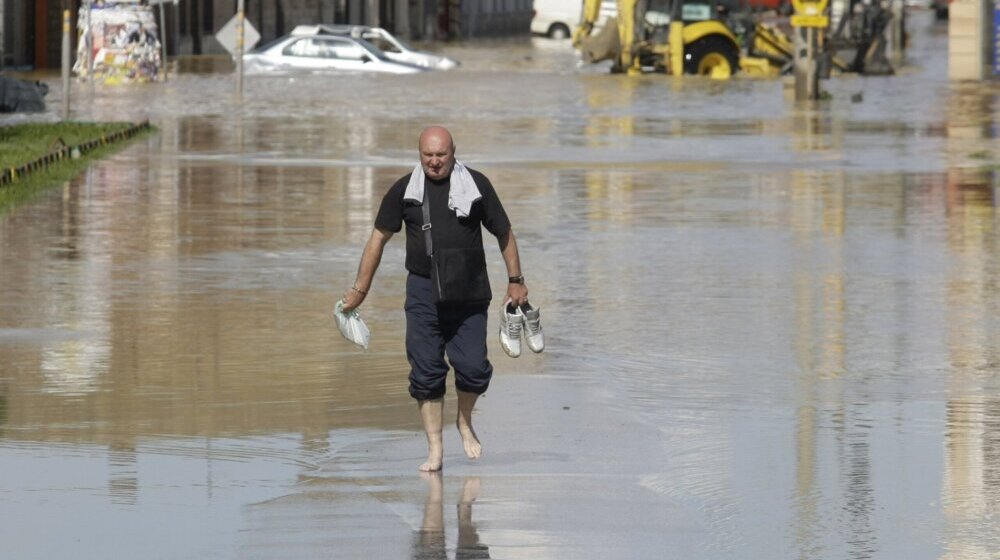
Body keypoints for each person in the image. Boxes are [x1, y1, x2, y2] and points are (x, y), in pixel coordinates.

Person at [341, 125, 529, 472]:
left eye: (441, 155)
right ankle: (435, 450)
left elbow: (504, 233)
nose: (435, 162)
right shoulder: (405, 191)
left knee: (473, 369)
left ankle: (464, 421)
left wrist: (516, 280)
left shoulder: (476, 186)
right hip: (423, 291)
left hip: (469, 290)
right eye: (428, 155)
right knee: (426, 372)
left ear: (453, 152)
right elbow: (377, 240)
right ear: (419, 154)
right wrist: (359, 291)